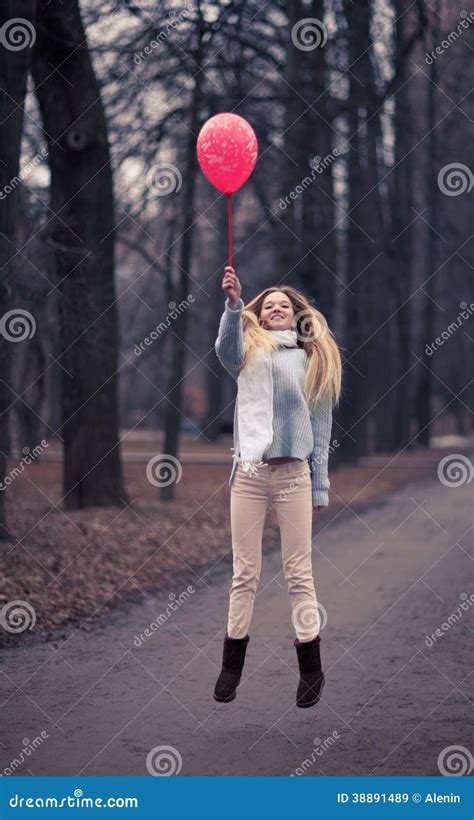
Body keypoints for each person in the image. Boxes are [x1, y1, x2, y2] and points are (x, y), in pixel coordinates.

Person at [213, 266, 342, 708]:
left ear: (296, 314)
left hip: (293, 476)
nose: (275, 309)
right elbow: (224, 352)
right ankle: (231, 665)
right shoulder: (247, 351)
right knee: (244, 573)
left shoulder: (311, 359)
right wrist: (234, 305)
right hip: (248, 475)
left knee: (298, 574)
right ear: (261, 316)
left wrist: (320, 485)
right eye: (267, 306)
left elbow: (321, 428)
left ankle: (311, 668)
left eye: (283, 305)